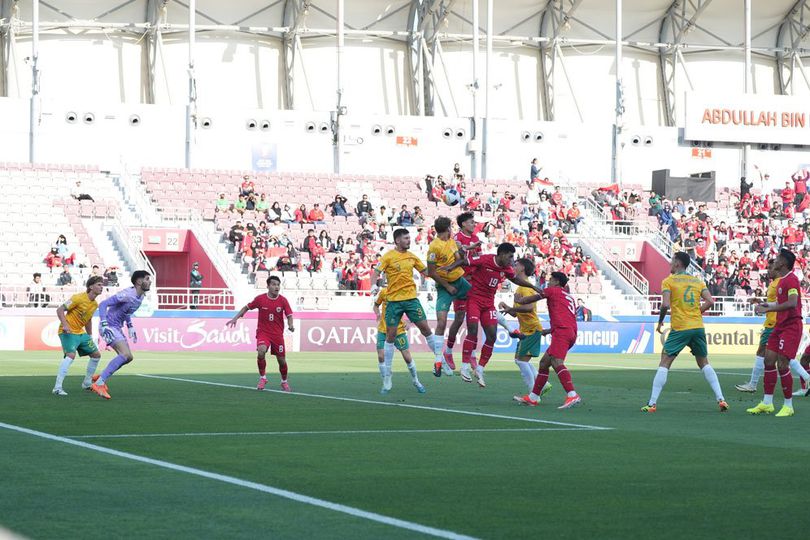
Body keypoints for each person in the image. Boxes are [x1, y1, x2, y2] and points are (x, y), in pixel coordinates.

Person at [439, 242, 543, 387]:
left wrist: (533, 286)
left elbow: (516, 279)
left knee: (492, 336)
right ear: (501, 254)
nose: (512, 260)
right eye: (510, 256)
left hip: (488, 304)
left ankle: (480, 369)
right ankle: (464, 367)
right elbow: (464, 261)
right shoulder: (485, 259)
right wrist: (450, 267)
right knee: (473, 330)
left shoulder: (506, 269)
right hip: (474, 300)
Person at [641, 252, 727, 413]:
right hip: (697, 327)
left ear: (678, 264)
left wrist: (660, 321)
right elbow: (710, 301)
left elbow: (665, 305)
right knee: (704, 363)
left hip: (680, 327)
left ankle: (652, 403)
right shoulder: (697, 281)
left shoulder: (668, 281)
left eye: (672, 261)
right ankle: (721, 399)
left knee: (665, 362)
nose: (670, 264)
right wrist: (696, 312)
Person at [372, 228, 447, 379]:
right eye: (406, 238)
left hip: (411, 299)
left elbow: (427, 272)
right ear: (398, 240)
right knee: (390, 336)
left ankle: (441, 361)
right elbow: (376, 273)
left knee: (426, 329)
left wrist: (445, 272)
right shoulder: (388, 257)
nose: (409, 240)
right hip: (394, 301)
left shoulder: (412, 257)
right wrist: (373, 285)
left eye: (409, 238)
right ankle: (387, 373)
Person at [510, 271, 582, 409]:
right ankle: (533, 397)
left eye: (551, 280)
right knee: (544, 363)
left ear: (556, 282)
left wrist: (519, 301)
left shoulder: (553, 291)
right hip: (570, 332)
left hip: (562, 332)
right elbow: (567, 317)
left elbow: (534, 298)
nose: (548, 282)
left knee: (556, 362)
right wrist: (549, 330)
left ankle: (572, 394)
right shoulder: (570, 297)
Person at [748, 249, 805, 417]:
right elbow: (780, 304)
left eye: (778, 258)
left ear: (784, 263)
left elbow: (792, 303)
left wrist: (769, 308)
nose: (775, 260)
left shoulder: (792, 280)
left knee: (782, 364)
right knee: (768, 360)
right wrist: (766, 306)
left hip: (791, 326)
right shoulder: (781, 281)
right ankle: (767, 403)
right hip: (779, 326)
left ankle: (788, 406)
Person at [90, 270, 152, 400]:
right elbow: (103, 304)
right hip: (109, 327)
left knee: (129, 357)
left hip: (117, 327)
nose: (149, 281)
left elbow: (127, 312)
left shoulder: (140, 296)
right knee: (125, 355)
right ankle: (99, 383)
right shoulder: (128, 294)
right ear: (139, 282)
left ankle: (100, 376)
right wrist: (104, 323)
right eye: (147, 278)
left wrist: (130, 326)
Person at [227, 275, 295, 391]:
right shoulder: (260, 299)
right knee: (261, 351)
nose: (276, 287)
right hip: (263, 332)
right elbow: (246, 307)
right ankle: (263, 378)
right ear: (268, 286)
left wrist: (290, 325)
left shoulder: (283, 300)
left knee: (281, 360)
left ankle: (284, 381)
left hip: (277, 335)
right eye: (273, 284)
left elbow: (289, 315)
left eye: (278, 285)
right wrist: (235, 318)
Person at [498, 258, 552, 396]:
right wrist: (507, 307)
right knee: (519, 360)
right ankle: (543, 384)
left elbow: (528, 308)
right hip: (526, 329)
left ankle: (533, 393)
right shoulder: (521, 287)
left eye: (516, 264)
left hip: (531, 329)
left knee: (521, 362)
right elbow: (516, 314)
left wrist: (511, 307)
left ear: (522, 268)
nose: (513, 266)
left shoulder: (526, 287)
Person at [426, 217, 472, 376]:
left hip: (460, 281)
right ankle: (439, 361)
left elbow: (461, 261)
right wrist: (447, 286)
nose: (452, 230)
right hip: (445, 287)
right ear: (447, 229)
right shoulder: (434, 247)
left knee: (480, 298)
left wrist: (460, 255)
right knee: (442, 322)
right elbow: (431, 272)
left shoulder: (451, 242)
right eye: (451, 227)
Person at [51, 276, 105, 396]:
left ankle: (86, 382)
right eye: (99, 285)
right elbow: (60, 310)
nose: (102, 287)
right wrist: (65, 325)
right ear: (91, 286)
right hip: (67, 331)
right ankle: (57, 388)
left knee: (96, 355)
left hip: (80, 332)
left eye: (102, 285)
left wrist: (90, 336)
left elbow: (88, 320)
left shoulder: (95, 304)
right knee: (70, 355)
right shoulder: (78, 298)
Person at [444, 212, 483, 371]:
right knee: (459, 318)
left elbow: (479, 259)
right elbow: (460, 254)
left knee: (474, 320)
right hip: (461, 281)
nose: (474, 224)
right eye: (471, 222)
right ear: (464, 224)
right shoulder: (457, 239)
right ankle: (448, 351)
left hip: (475, 282)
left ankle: (472, 354)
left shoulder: (476, 239)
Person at [373, 287, 425, 394]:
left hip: (398, 330)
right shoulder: (383, 292)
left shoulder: (402, 291)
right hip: (383, 329)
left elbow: (410, 309)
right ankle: (386, 381)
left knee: (407, 357)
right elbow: (375, 305)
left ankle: (416, 380)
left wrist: (407, 321)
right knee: (380, 356)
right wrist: (378, 314)